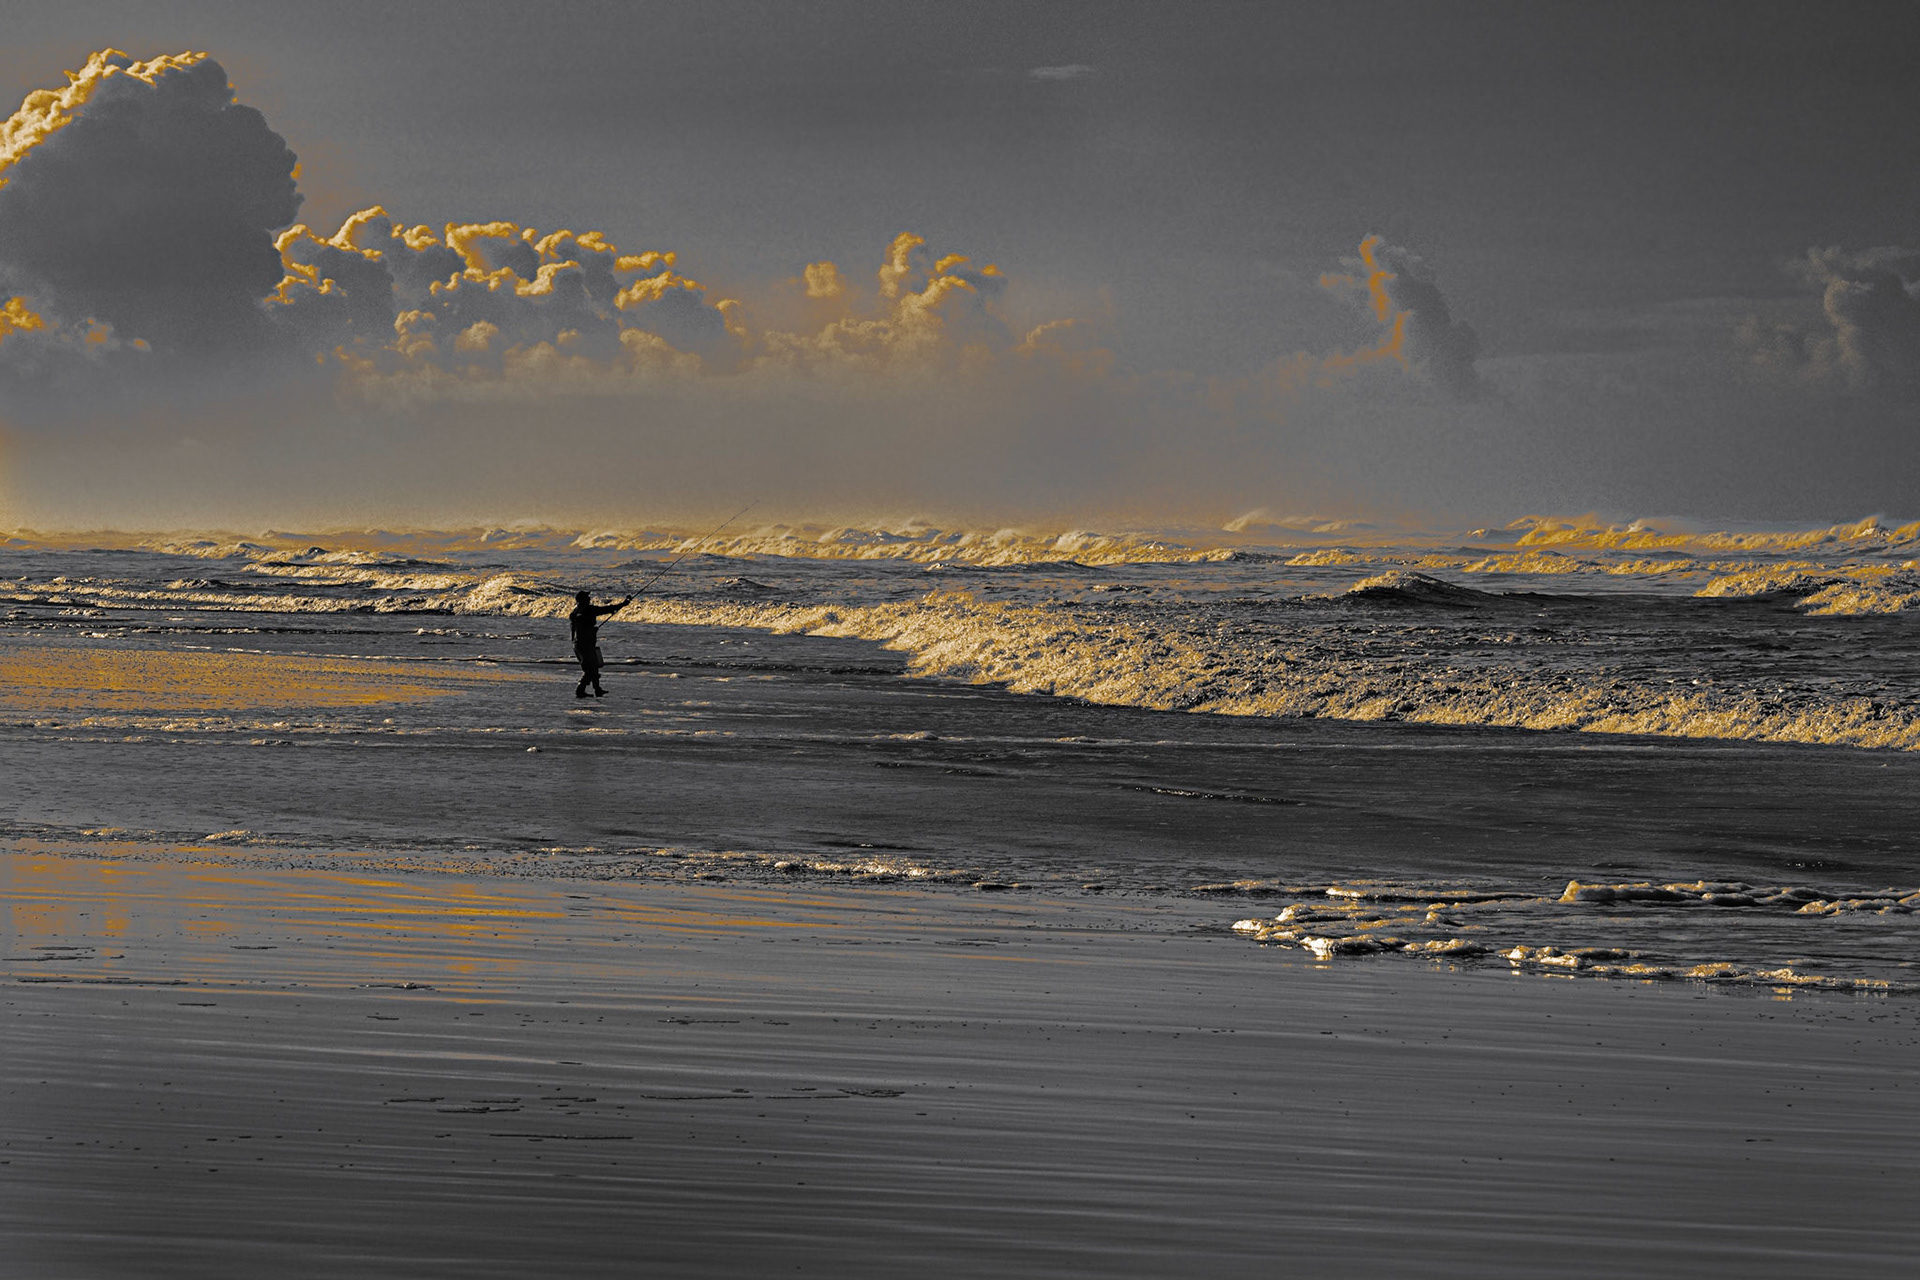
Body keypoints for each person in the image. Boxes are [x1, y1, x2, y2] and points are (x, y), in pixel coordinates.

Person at [569, 591, 632, 697]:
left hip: (577, 644)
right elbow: (605, 609)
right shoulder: (588, 610)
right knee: (590, 668)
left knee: (592, 667)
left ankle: (597, 689)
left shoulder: (574, 613)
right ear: (582, 600)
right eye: (587, 597)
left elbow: (576, 629)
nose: (589, 599)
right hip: (586, 644)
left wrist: (590, 630)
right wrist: (624, 604)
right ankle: (580, 690)